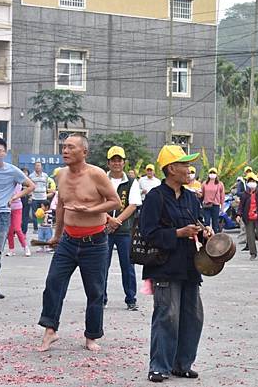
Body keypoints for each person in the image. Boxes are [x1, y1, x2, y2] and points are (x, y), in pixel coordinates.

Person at [37, 134, 121, 352]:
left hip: (95, 242)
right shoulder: (61, 174)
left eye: (71, 147)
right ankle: (50, 330)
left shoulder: (97, 175)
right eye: (64, 147)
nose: (65, 150)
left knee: (95, 291)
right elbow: (61, 207)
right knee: (53, 283)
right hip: (68, 241)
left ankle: (91, 336)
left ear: (84, 152)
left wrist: (91, 209)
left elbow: (116, 202)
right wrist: (57, 235)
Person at [139, 145, 212, 382]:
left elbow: (198, 224)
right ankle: (159, 366)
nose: (189, 169)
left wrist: (205, 232)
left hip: (190, 265)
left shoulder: (191, 197)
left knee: (193, 316)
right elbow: (148, 233)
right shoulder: (155, 197)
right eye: (184, 164)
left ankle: (182, 364)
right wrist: (178, 233)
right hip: (165, 266)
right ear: (171, 169)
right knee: (167, 315)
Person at [0, 138, 35, 300]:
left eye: (0, 151)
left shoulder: (12, 170)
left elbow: (31, 186)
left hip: (3, 214)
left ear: (5, 153)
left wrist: (15, 197)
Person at [104, 146, 142, 310]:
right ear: (108, 163)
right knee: (100, 266)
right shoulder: (102, 179)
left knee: (127, 265)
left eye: (119, 160)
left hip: (125, 230)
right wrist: (108, 220)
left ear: (124, 162)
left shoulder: (132, 182)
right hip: (103, 229)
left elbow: (133, 205)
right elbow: (96, 202)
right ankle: (100, 297)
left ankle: (130, 298)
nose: (116, 163)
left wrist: (116, 220)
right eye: (113, 160)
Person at [236, 173, 258, 260]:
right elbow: (241, 206)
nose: (251, 183)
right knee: (250, 237)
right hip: (248, 218)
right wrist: (239, 215)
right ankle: (253, 253)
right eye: (250, 181)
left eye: (253, 181)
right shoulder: (245, 194)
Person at [6, 183, 31, 257]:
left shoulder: (18, 184)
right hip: (7, 207)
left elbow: (15, 194)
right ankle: (11, 249)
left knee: (17, 228)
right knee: (9, 230)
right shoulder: (5, 181)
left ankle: (25, 247)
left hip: (17, 207)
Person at [29, 162, 54, 232]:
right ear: (34, 167)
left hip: (43, 197)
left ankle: (43, 227)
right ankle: (35, 228)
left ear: (41, 167)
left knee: (44, 213)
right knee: (35, 214)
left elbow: (46, 186)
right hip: (35, 198)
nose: (37, 167)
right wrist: (30, 196)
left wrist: (46, 193)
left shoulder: (45, 176)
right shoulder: (31, 176)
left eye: (39, 166)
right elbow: (30, 187)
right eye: (36, 166)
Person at [201, 167, 225, 234]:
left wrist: (222, 207)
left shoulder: (220, 184)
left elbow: (222, 196)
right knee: (206, 223)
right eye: (211, 173)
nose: (212, 174)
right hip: (206, 205)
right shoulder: (204, 183)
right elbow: (201, 195)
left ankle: (216, 238)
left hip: (216, 205)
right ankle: (207, 238)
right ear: (208, 174)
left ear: (216, 174)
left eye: (214, 173)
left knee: (215, 223)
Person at [20, 168, 31, 235]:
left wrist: (31, 197)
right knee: (19, 216)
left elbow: (32, 190)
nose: (24, 173)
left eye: (26, 172)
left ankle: (24, 231)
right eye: (23, 172)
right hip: (19, 199)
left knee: (25, 216)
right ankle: (17, 231)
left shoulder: (29, 181)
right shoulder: (18, 180)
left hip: (27, 199)